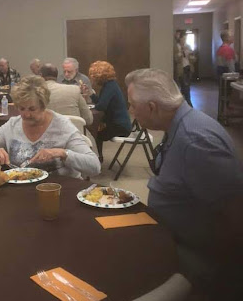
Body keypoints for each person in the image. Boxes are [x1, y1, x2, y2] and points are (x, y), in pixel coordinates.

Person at [125, 68, 243, 286]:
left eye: (132, 104)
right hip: (176, 238)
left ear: (152, 108)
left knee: (120, 265)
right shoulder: (179, 127)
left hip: (196, 256)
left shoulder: (196, 141)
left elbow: (233, 218)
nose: (130, 110)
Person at [0, 76, 101, 179]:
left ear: (43, 105)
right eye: (21, 108)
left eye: (32, 109)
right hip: (21, 193)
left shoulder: (63, 126)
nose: (26, 114)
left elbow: (94, 166)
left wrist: (62, 153)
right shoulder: (12, 125)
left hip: (60, 191)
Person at [88, 61, 131, 161]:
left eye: (93, 76)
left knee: (95, 134)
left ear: (99, 76)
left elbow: (101, 106)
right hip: (121, 124)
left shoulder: (109, 87)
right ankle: (98, 157)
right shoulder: (110, 85)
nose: (92, 79)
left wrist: (93, 105)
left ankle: (98, 158)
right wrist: (90, 93)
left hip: (120, 127)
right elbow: (101, 103)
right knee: (96, 132)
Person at [174, 31, 194, 107]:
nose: (184, 41)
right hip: (181, 69)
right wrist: (181, 53)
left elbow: (194, 59)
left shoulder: (188, 46)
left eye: (186, 39)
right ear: (180, 39)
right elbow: (176, 60)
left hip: (189, 68)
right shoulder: (176, 47)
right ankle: (189, 104)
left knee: (185, 87)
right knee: (185, 86)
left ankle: (181, 104)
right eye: (183, 39)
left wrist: (190, 55)